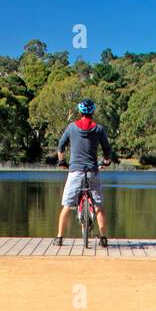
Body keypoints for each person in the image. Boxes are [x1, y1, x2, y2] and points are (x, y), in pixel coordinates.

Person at [55, 100, 112, 247]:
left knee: (67, 205)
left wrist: (62, 162)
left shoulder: (71, 127)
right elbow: (107, 149)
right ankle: (103, 237)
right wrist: (106, 162)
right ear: (92, 113)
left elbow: (61, 146)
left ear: (80, 112)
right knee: (98, 205)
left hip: (75, 172)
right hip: (92, 171)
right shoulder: (98, 129)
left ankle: (59, 238)